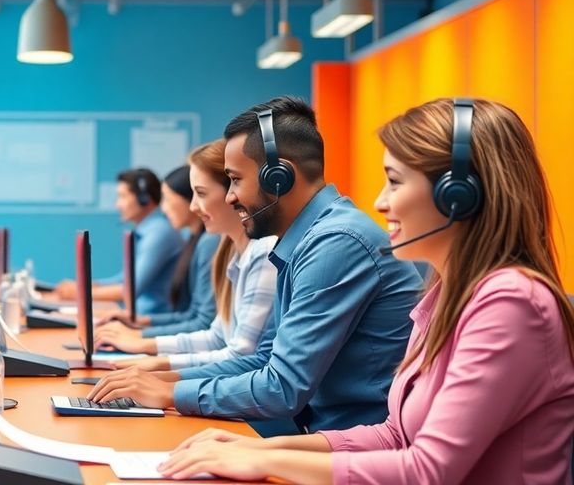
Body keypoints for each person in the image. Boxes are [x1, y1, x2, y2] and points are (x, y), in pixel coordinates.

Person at [158, 98, 574, 484]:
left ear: (457, 197)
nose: (379, 202)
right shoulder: (450, 294)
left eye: (394, 181)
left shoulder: (511, 304)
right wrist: (260, 447)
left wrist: (265, 459)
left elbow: (429, 469)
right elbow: (396, 434)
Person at [89, 97, 423, 435]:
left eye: (234, 180)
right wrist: (159, 380)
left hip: (348, 445)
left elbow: (282, 388)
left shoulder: (336, 243)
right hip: (319, 436)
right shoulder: (303, 240)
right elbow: (265, 360)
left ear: (278, 179)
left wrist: (170, 392)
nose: (230, 197)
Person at [94, 141, 278, 371]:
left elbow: (242, 356)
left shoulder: (261, 254)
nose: (193, 207)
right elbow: (217, 337)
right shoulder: (233, 254)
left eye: (200, 193)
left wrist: (157, 364)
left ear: (234, 193)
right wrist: (148, 352)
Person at [97, 163, 221, 335]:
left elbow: (201, 321)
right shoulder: (194, 240)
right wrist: (141, 324)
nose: (164, 208)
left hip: (175, 333)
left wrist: (140, 334)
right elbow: (191, 315)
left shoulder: (202, 241)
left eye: (168, 199)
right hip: (168, 328)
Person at [55, 168, 184, 314]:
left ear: (144, 199)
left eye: (122, 196)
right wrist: (85, 286)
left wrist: (80, 293)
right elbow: (123, 278)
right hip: (139, 318)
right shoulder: (150, 231)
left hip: (152, 322)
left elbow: (129, 289)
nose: (118, 205)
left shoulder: (159, 232)